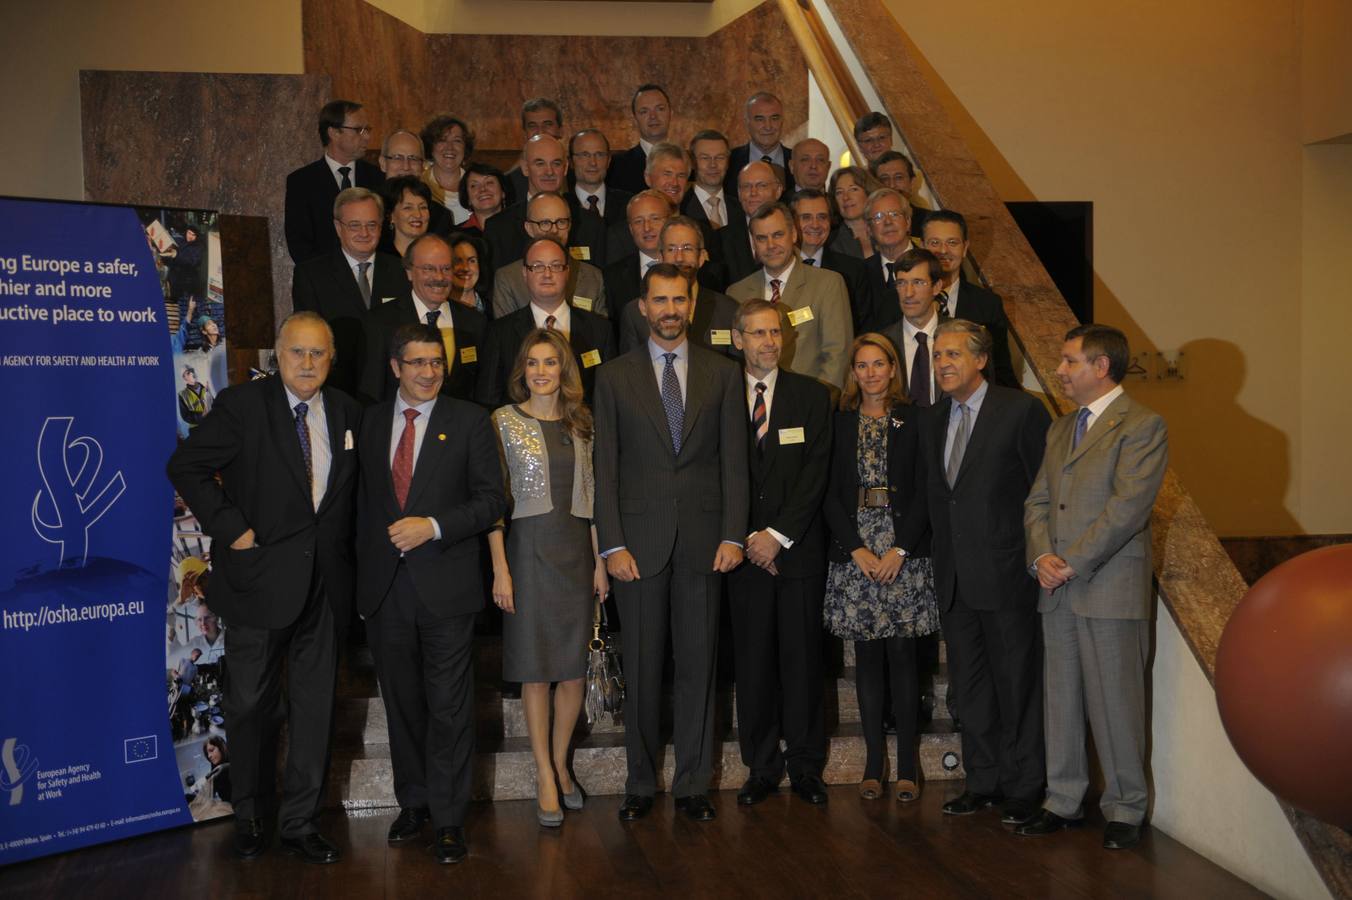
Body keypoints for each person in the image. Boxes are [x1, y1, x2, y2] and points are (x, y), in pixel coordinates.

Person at [166, 311, 362, 863]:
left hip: (326, 587)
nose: (307, 363)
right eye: (297, 352)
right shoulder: (243, 406)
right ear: (279, 354)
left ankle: (301, 823)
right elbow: (186, 467)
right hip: (257, 583)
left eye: (318, 353)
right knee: (250, 704)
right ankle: (250, 815)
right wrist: (235, 531)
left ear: (331, 358)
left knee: (316, 707)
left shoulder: (347, 411)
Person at [593, 263, 748, 823]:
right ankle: (639, 781)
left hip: (706, 545)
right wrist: (611, 545)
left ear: (693, 302)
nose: (669, 310)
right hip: (637, 546)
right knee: (641, 666)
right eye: (659, 300)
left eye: (678, 300)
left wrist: (734, 533)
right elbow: (604, 469)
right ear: (642, 306)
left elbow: (735, 465)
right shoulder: (613, 377)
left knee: (698, 667)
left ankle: (692, 784)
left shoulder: (723, 373)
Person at [355, 323, 506, 864]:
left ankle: (447, 818)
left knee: (449, 707)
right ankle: (413, 802)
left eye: (435, 363)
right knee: (402, 705)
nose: (428, 373)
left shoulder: (469, 421)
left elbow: (492, 501)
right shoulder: (369, 422)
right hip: (385, 591)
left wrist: (434, 525)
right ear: (396, 367)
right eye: (416, 363)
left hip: (447, 588)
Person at [1018, 324, 1168, 850]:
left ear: (1100, 367)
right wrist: (1042, 555)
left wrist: (1070, 562)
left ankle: (1126, 808)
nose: (1059, 370)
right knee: (1060, 700)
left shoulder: (1143, 425)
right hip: (1055, 586)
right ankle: (1062, 800)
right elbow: (1037, 502)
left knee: (1116, 703)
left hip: (1107, 586)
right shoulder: (1061, 429)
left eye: (1068, 361)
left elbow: (1127, 508)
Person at [919, 319, 1049, 826]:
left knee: (1016, 685)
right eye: (937, 356)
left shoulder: (1021, 411)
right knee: (970, 690)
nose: (944, 364)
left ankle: (1024, 786)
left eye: (953, 354)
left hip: (1007, 575)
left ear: (979, 359)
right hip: (953, 579)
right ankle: (983, 781)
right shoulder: (931, 419)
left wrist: (1038, 558)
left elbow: (1042, 492)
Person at [487, 329, 608, 827]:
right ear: (523, 370)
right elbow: (493, 500)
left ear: (564, 370)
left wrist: (601, 562)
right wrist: (500, 568)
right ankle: (542, 772)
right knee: (536, 672)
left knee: (574, 670)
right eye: (533, 362)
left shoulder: (584, 423)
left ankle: (561, 763)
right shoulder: (501, 422)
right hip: (526, 554)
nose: (541, 371)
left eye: (551, 362)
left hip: (577, 554)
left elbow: (595, 498)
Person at [822, 334, 938, 802]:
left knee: (904, 660)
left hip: (903, 552)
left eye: (879, 364)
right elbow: (826, 492)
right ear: (853, 372)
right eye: (862, 365)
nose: (870, 373)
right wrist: (855, 548)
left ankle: (908, 766)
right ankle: (874, 763)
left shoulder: (917, 419)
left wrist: (901, 548)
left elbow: (931, 487)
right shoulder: (839, 423)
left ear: (893, 368)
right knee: (867, 661)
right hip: (856, 553)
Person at [727, 300, 833, 807]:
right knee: (753, 665)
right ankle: (762, 767)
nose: (769, 341)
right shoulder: (720, 396)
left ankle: (807, 766)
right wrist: (751, 538)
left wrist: (778, 536)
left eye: (776, 332)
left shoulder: (814, 397)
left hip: (798, 556)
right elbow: (717, 475)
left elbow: (816, 475)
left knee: (803, 662)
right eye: (758, 333)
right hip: (743, 558)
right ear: (738, 338)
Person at [292, 186, 409, 396]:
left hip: (393, 391)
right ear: (338, 227)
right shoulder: (311, 274)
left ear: (382, 226)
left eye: (372, 225)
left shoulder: (403, 271)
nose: (364, 233)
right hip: (337, 391)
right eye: (355, 225)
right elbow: (308, 337)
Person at [727, 202, 853, 391]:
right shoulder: (736, 293)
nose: (771, 245)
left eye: (778, 235)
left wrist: (818, 406)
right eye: (762, 238)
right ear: (753, 243)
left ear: (794, 234)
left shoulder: (828, 284)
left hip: (808, 403)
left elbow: (838, 355)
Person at [477, 238, 616, 408]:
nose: (547, 274)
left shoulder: (601, 329)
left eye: (556, 266)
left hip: (585, 430)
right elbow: (488, 399)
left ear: (567, 272)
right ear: (524, 273)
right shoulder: (499, 332)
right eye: (537, 266)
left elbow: (610, 397)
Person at [360, 233, 486, 404]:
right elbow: (371, 393)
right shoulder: (381, 322)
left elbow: (480, 390)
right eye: (428, 269)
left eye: (446, 268)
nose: (439, 277)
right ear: (409, 272)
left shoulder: (475, 323)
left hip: (460, 427)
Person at [618, 216, 740, 360]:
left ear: (701, 257)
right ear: (661, 257)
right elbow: (628, 371)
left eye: (687, 248)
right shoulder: (634, 313)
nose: (679, 258)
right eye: (671, 249)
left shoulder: (728, 309)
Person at [921, 209, 1019, 388]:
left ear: (965, 248)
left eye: (952, 242)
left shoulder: (987, 304)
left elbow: (1000, 371)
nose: (943, 250)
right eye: (934, 242)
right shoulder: (900, 301)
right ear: (922, 247)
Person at [485, 135, 607, 270]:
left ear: (565, 168)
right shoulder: (498, 228)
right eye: (540, 163)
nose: (549, 172)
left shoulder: (591, 224)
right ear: (525, 168)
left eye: (556, 163)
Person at [285, 100, 383, 263]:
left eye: (367, 130)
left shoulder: (377, 177)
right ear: (333, 132)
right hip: (324, 279)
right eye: (359, 130)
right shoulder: (302, 182)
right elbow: (299, 243)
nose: (367, 137)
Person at [491, 193, 607, 320]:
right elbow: (506, 333)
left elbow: (599, 333)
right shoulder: (508, 279)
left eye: (561, 222)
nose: (554, 230)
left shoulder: (593, 277)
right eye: (545, 223)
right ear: (529, 228)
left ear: (570, 225)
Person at [790, 189, 870, 331]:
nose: (815, 225)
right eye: (806, 217)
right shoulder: (776, 270)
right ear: (791, 223)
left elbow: (860, 328)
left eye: (822, 217)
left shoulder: (853, 271)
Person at [881, 248, 945, 407]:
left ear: (936, 287)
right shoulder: (883, 342)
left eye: (918, 282)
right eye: (901, 283)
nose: (908, 293)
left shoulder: (962, 337)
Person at [602, 190, 674, 312]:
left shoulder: (686, 267)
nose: (647, 228)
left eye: (655, 218)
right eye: (638, 221)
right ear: (631, 229)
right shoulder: (611, 277)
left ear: (669, 223)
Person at [859, 188, 919, 333]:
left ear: (908, 222)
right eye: (878, 217)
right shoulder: (860, 272)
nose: (887, 222)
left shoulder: (931, 264)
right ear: (868, 229)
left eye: (894, 214)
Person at [718, 159, 786, 284]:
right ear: (739, 194)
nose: (753, 193)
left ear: (777, 191)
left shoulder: (795, 233)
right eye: (746, 186)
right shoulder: (720, 240)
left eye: (761, 185)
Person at [380, 129, 452, 235]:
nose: (406, 167)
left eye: (413, 159)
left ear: (423, 166)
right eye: (397, 158)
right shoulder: (367, 208)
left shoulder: (439, 216)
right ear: (383, 163)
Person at [726, 92, 795, 197]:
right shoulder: (729, 161)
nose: (768, 126)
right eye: (759, 119)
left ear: (782, 121)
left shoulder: (798, 161)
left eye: (774, 118)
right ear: (747, 122)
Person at [607, 84, 672, 194]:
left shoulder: (689, 162)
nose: (653, 116)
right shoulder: (615, 167)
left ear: (671, 113)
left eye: (660, 109)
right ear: (634, 119)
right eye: (644, 111)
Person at [569, 128, 630, 229]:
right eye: (585, 155)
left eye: (600, 155)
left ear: (609, 160)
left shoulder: (628, 204)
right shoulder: (562, 205)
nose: (593, 162)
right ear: (571, 161)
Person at [506, 98, 565, 201]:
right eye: (532, 126)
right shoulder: (509, 184)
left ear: (561, 130)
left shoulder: (577, 177)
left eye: (547, 124)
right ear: (525, 133)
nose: (540, 131)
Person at [684, 129, 742, 232]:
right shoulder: (681, 207)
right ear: (692, 162)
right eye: (705, 158)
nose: (713, 165)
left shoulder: (740, 208)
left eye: (720, 157)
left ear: (728, 162)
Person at [420, 115, 474, 225]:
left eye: (457, 141)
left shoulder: (476, 186)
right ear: (431, 147)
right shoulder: (419, 186)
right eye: (442, 140)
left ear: (465, 148)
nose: (450, 147)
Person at [828, 166, 882, 260]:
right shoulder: (830, 243)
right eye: (839, 192)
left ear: (868, 193)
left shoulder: (886, 231)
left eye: (853, 189)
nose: (846, 197)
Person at [870, 151, 928, 237]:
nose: (892, 185)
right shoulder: (870, 224)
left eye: (899, 177)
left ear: (912, 182)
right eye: (884, 179)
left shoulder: (929, 222)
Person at [377, 176, 433, 258]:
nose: (418, 215)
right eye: (408, 208)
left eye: (423, 207)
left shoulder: (438, 255)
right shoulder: (379, 256)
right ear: (390, 215)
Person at [456, 163, 511, 237]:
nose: (482, 189)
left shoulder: (521, 228)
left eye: (489, 183)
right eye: (474, 186)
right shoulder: (457, 236)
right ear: (468, 198)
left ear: (503, 192)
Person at [447, 232, 490, 316]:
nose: (465, 268)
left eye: (472, 261)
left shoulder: (493, 307)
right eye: (457, 261)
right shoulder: (437, 310)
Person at [202, 735, 233, 804]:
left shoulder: (235, 758)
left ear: (221, 747)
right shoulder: (215, 765)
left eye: (211, 750)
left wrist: (227, 767)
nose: (209, 756)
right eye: (207, 753)